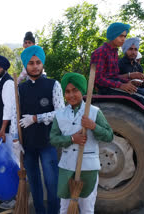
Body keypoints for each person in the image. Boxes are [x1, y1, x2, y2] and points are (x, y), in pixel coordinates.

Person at [91, 22, 144, 135]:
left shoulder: (113, 52)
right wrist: (121, 85)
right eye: (120, 36)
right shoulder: (100, 52)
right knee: (142, 96)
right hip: (106, 89)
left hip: (114, 85)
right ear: (112, 35)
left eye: (125, 36)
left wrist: (128, 80)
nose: (123, 39)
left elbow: (113, 76)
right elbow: (98, 79)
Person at [11, 45, 65, 214]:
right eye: (31, 63)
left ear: (42, 64)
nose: (35, 66)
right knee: (34, 183)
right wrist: (14, 138)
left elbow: (61, 113)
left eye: (38, 62)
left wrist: (36, 118)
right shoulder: (20, 88)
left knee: (51, 182)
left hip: (48, 142)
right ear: (26, 66)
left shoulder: (53, 85)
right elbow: (15, 113)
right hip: (27, 144)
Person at [50, 72, 113, 214]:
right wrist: (72, 139)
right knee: (65, 208)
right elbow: (53, 139)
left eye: (75, 90)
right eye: (67, 91)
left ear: (82, 91)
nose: (71, 95)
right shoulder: (59, 114)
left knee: (87, 208)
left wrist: (93, 126)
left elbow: (109, 136)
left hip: (88, 168)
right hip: (66, 166)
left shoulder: (94, 112)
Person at [0, 55, 21, 209]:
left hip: (5, 132)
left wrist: (2, 130)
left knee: (8, 163)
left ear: (4, 68)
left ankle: (13, 198)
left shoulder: (7, 83)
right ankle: (5, 195)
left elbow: (8, 108)